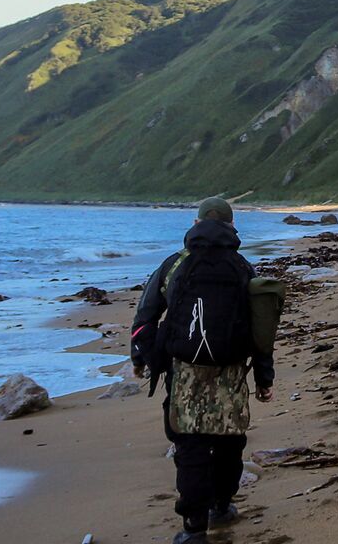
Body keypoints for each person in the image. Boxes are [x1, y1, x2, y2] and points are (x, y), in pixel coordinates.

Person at [131, 198, 276, 544]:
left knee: (190, 446)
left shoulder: (174, 265)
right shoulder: (243, 268)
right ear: (232, 227)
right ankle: (222, 506)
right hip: (231, 371)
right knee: (230, 440)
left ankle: (193, 528)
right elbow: (262, 330)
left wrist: (141, 358)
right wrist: (264, 378)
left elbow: (145, 317)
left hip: (185, 372)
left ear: (195, 225)